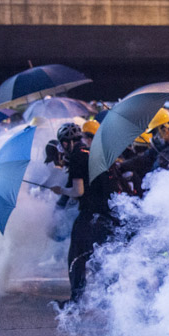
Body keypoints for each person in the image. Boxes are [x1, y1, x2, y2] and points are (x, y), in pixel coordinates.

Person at [49, 122, 124, 307]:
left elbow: (78, 191)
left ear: (66, 142)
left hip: (91, 213)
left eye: (63, 144)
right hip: (109, 213)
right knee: (103, 256)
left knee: (76, 256)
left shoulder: (76, 157)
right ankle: (113, 299)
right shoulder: (91, 152)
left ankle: (76, 302)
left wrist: (60, 190)